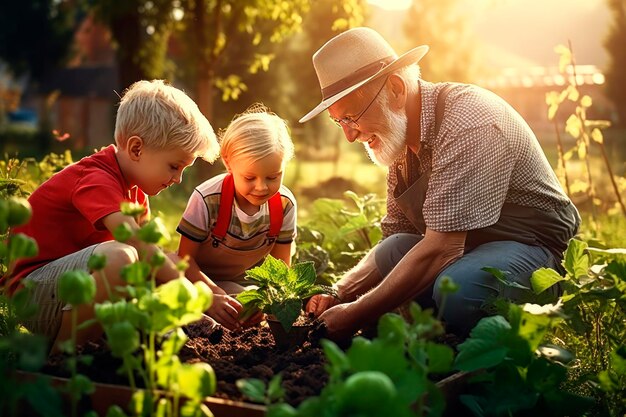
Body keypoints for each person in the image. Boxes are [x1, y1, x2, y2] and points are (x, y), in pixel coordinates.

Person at [301, 27, 580, 340]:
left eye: (352, 117)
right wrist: (338, 292)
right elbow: (397, 235)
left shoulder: (468, 121)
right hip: (468, 250)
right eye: (340, 121)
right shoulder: (402, 142)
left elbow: (442, 248)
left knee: (460, 291)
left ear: (394, 88)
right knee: (396, 249)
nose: (349, 135)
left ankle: (473, 348)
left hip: (533, 250)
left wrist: (356, 314)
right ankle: (434, 324)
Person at [5, 79, 220, 348]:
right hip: (35, 293)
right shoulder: (96, 178)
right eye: (174, 166)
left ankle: (134, 338)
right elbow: (134, 242)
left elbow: (155, 255)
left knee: (140, 266)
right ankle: (62, 358)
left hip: (76, 294)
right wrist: (182, 285)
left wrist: (209, 291)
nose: (178, 179)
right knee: (121, 257)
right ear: (136, 149)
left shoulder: (135, 193)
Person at [177, 104, 297, 331]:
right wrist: (213, 295)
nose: (261, 187)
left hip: (239, 286)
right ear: (228, 162)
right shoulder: (207, 199)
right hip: (197, 282)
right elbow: (183, 261)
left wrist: (265, 302)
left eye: (273, 177)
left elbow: (281, 268)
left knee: (247, 303)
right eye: (249, 177)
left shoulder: (284, 205)